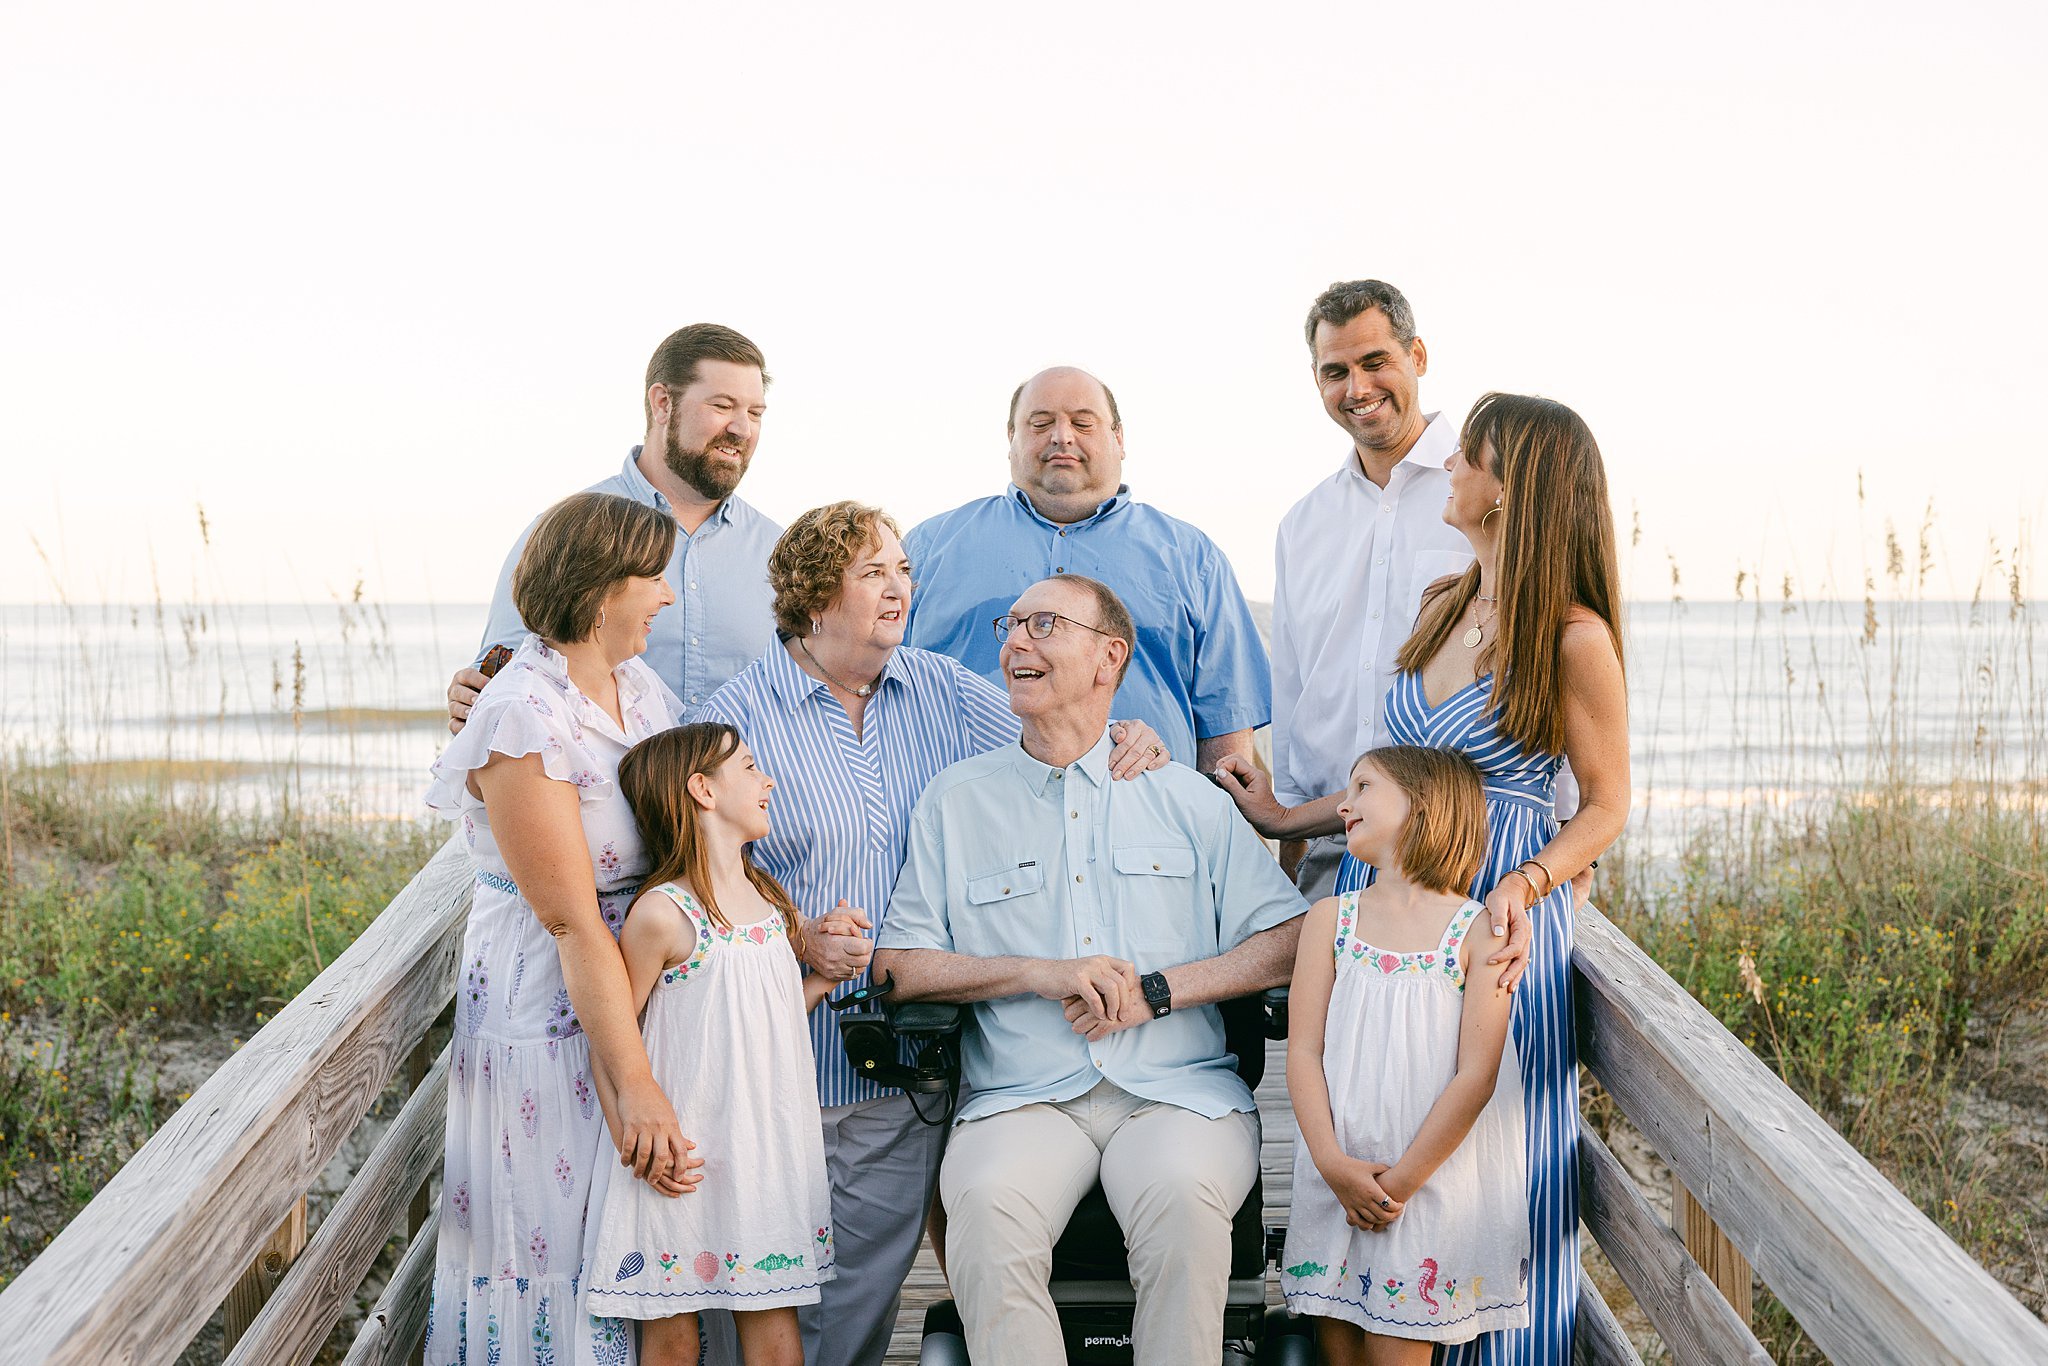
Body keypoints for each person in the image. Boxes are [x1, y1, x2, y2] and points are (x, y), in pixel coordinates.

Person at [692, 506, 1170, 1366]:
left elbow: (1061, 739)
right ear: (811, 594)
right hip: (775, 1045)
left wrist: (1135, 735)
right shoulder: (738, 716)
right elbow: (696, 881)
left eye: (904, 570)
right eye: (874, 571)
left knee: (857, 1300)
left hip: (903, 1056)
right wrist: (797, 939)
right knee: (757, 1293)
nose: (899, 587)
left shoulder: (944, 691)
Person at [1229, 393, 1629, 1362]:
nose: (1447, 467)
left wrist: (1525, 885)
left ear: (1511, 487)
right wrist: (1285, 814)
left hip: (1499, 916)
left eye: (1468, 459)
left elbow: (1606, 804)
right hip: (1399, 904)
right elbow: (1400, 778)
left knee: (1488, 1167)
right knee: (1384, 1120)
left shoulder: (1571, 637)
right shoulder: (1441, 601)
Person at [873, 573, 1308, 1366]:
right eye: (1011, 623)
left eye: (1045, 624)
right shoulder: (955, 802)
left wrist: (1160, 992)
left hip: (1178, 1095)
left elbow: (1291, 938)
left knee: (1183, 1206)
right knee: (985, 1206)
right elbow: (898, 967)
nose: (1015, 641)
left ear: (1110, 657)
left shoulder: (1188, 800)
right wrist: (1035, 972)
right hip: (1022, 1098)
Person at [422, 492, 697, 1366]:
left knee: (632, 1240)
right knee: (554, 1237)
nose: (668, 595)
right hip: (547, 999)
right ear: (602, 586)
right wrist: (636, 1084)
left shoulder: (641, 688)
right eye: (653, 577)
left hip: (634, 987)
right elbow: (572, 923)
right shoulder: (520, 714)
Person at [582, 724, 839, 1366]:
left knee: (775, 1332)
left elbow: (766, 1017)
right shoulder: (663, 914)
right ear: (702, 789)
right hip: (679, 1156)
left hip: (763, 1149)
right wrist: (632, 1145)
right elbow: (608, 1042)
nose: (767, 781)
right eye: (750, 768)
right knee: (671, 1339)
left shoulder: (769, 902)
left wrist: (822, 979)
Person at [1218, 280, 1473, 900]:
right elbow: (1298, 689)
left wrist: (1574, 852)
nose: (1356, 389)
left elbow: (1550, 656)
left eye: (1374, 362)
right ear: (1317, 381)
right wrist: (1290, 847)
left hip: (1457, 843)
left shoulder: (1483, 491)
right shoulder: (1302, 525)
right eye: (1335, 371)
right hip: (1331, 848)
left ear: (1417, 356)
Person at [1280, 745, 1530, 1362]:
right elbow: (1303, 1053)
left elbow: (1478, 1074)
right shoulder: (1329, 919)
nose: (1343, 804)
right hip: (1336, 1178)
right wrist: (1333, 1165)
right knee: (1337, 1352)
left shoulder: (1477, 931)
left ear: (1420, 805)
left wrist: (1403, 1182)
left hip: (1424, 1184)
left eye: (1362, 786)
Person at [902, 365, 1271, 770]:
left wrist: (1217, 824)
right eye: (1041, 423)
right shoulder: (926, 550)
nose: (1062, 435)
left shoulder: (1194, 559)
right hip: (965, 819)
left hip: (1145, 820)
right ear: (1011, 438)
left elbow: (1226, 725)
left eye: (1083, 422)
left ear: (1119, 438)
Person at [446, 322, 781, 731]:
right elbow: (504, 682)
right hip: (603, 793)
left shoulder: (780, 554)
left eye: (755, 413)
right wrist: (474, 695)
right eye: (722, 406)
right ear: (662, 403)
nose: (742, 428)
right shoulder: (567, 532)